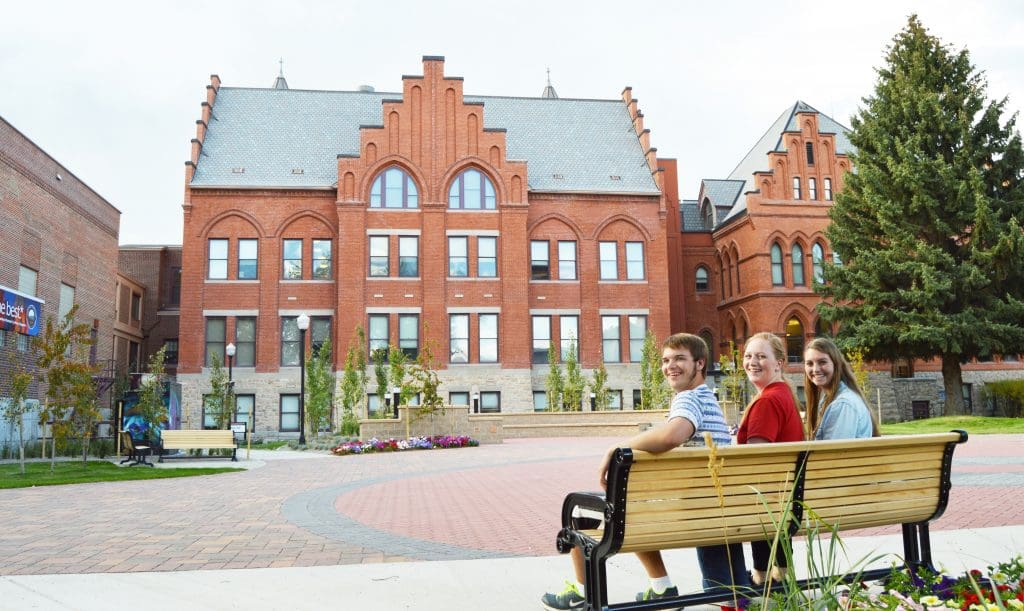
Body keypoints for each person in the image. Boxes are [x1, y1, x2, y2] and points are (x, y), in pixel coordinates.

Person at [541, 333, 749, 611]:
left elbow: (674, 434)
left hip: (685, 513)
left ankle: (582, 593)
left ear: (700, 364)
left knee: (582, 511)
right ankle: (662, 588)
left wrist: (617, 447)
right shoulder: (710, 401)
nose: (670, 366)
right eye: (665, 360)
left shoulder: (689, 398)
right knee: (628, 503)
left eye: (679, 359)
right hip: (712, 509)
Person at [738, 332, 805, 587]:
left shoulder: (767, 401)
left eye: (761, 356)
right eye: (748, 356)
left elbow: (758, 463)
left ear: (779, 362)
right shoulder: (785, 393)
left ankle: (761, 579)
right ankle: (780, 578)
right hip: (786, 497)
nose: (752, 362)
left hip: (770, 502)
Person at [803, 337, 880, 439]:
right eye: (809, 363)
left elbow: (834, 453)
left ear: (836, 364)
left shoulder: (842, 405)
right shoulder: (830, 398)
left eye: (822, 362)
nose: (815, 369)